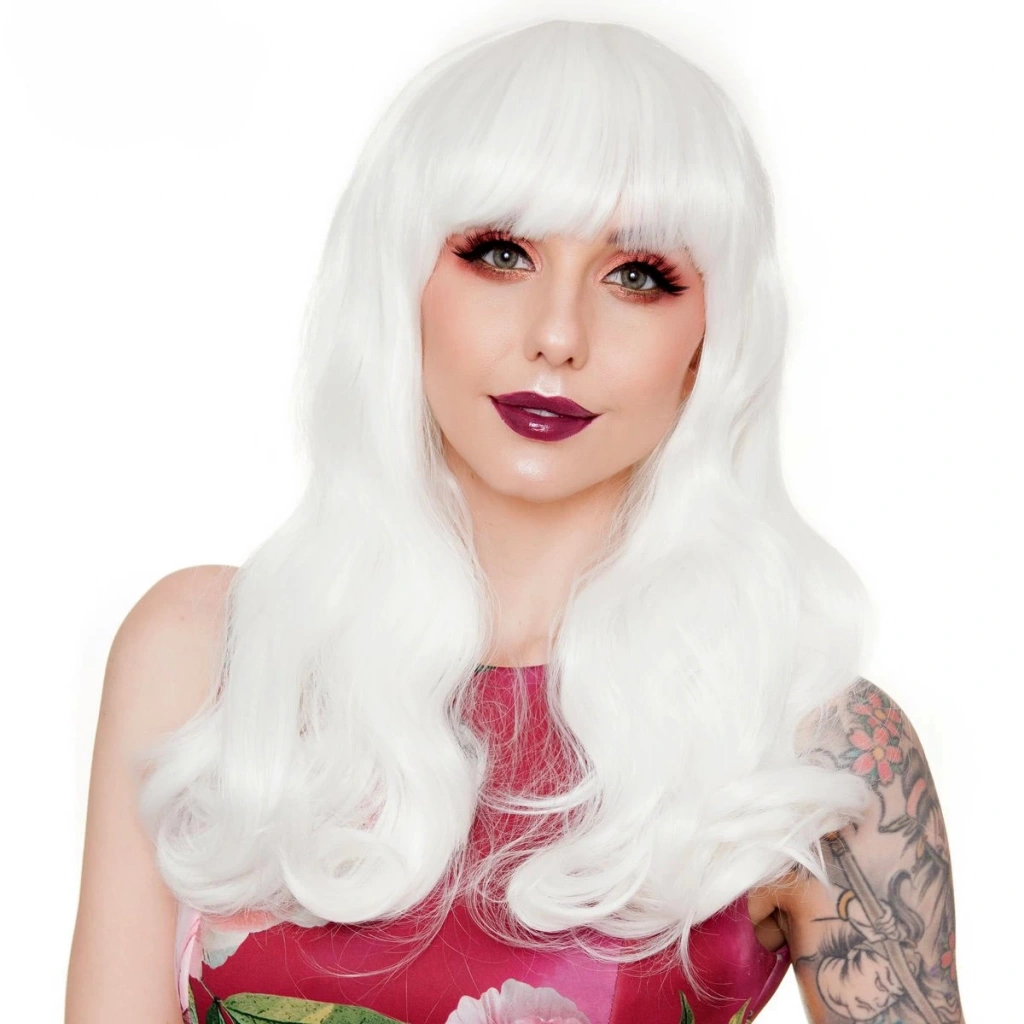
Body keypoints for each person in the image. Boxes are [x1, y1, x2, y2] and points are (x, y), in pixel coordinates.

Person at [65, 18, 964, 1024]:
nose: (558, 335)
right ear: (402, 282)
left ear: (713, 337)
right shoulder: (207, 658)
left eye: (637, 275)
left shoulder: (813, 747)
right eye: (500, 253)